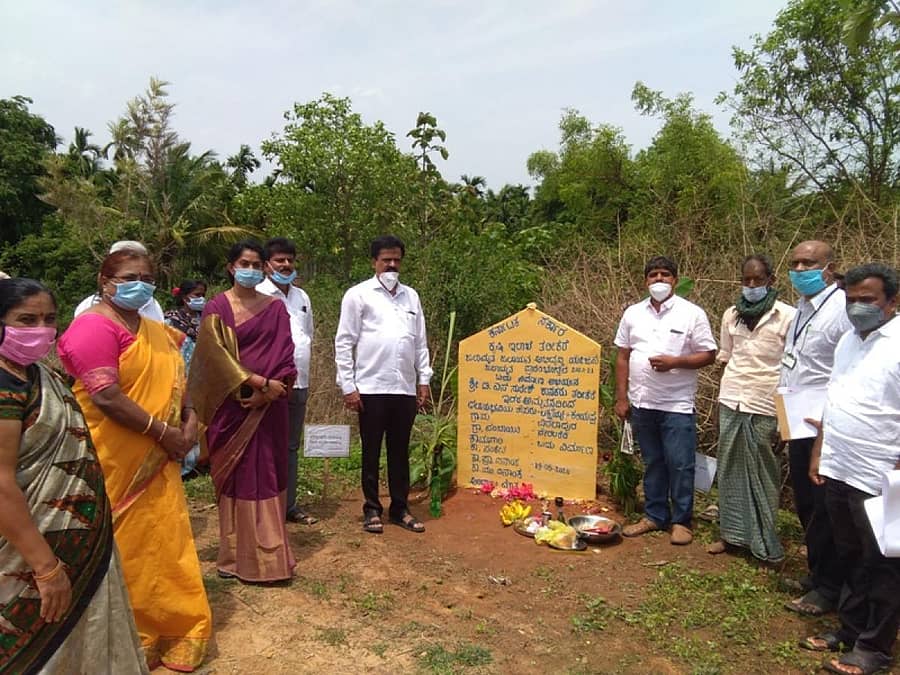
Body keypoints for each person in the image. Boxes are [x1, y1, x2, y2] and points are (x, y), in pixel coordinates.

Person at [57, 249, 212, 671]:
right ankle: (131, 631)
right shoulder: (92, 328)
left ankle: (176, 623)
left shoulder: (157, 330)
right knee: (122, 547)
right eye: (129, 276)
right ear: (105, 280)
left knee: (164, 542)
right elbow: (106, 396)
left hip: (160, 456)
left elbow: (181, 381)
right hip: (113, 458)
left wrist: (191, 421)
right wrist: (166, 434)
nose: (139, 284)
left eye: (146, 277)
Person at [0, 278, 147, 674]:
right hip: (30, 556)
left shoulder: (37, 375)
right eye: (25, 319)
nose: (39, 330)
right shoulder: (5, 387)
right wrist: (45, 568)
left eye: (48, 320)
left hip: (77, 543)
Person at [803, 263, 900, 675]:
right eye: (852, 299)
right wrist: (820, 451)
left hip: (882, 473)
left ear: (892, 301)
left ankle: (875, 648)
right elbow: (834, 398)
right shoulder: (847, 341)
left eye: (868, 300)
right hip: (841, 464)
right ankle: (850, 629)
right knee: (851, 554)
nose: (858, 307)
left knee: (883, 563)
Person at [188, 240, 297, 582]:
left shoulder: (276, 308)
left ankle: (269, 560)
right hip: (231, 408)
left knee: (266, 473)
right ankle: (233, 557)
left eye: (255, 264)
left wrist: (269, 392)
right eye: (243, 263)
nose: (249, 269)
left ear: (264, 268)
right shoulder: (216, 307)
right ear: (231, 267)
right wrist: (256, 382)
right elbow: (213, 358)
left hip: (269, 409)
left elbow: (285, 355)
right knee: (235, 477)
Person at [615, 255, 717, 545]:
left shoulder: (691, 314)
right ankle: (654, 514)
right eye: (653, 276)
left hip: (677, 405)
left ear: (675, 280)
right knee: (652, 461)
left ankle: (681, 520)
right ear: (645, 281)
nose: (658, 280)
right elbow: (622, 355)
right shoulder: (633, 313)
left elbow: (708, 354)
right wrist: (622, 397)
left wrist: (676, 362)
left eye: (665, 275)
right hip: (642, 403)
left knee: (680, 463)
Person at [335, 235, 433, 535]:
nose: (392, 265)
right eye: (386, 259)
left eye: (397, 260)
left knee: (400, 451)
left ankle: (400, 508)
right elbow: (344, 342)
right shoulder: (358, 295)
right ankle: (372, 508)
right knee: (371, 451)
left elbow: (420, 343)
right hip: (371, 387)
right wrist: (348, 386)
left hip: (403, 388)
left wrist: (423, 380)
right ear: (374, 261)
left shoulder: (411, 297)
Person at [707, 255, 796, 561]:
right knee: (730, 468)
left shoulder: (787, 316)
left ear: (771, 280)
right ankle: (731, 536)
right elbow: (725, 357)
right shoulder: (731, 315)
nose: (752, 286)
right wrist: (721, 401)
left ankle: (763, 540)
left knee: (763, 471)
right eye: (747, 280)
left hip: (765, 404)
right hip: (732, 399)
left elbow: (792, 371)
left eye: (758, 280)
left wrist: (786, 422)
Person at [781, 240, 852, 617]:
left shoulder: (842, 308)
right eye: (794, 262)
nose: (799, 268)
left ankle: (830, 588)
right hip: (796, 417)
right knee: (807, 503)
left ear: (828, 267)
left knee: (826, 507)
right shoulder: (801, 307)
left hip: (824, 423)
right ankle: (816, 573)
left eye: (808, 262)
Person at [256, 237, 317, 525]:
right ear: (267, 265)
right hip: (268, 384)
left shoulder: (302, 297)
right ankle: (264, 505)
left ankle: (288, 505)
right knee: (266, 445)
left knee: (291, 446)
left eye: (290, 259)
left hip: (299, 382)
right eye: (280, 260)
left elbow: (308, 336)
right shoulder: (257, 294)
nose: (286, 265)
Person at [165, 280, 207, 478]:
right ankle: (180, 462)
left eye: (203, 295)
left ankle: (196, 461)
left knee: (197, 418)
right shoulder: (170, 320)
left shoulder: (204, 320)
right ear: (184, 297)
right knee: (180, 418)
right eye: (197, 295)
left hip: (200, 374)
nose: (201, 299)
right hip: (178, 374)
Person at [73, 241, 165, 321]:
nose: (138, 284)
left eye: (146, 279)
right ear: (105, 281)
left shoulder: (153, 306)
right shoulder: (88, 308)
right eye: (129, 278)